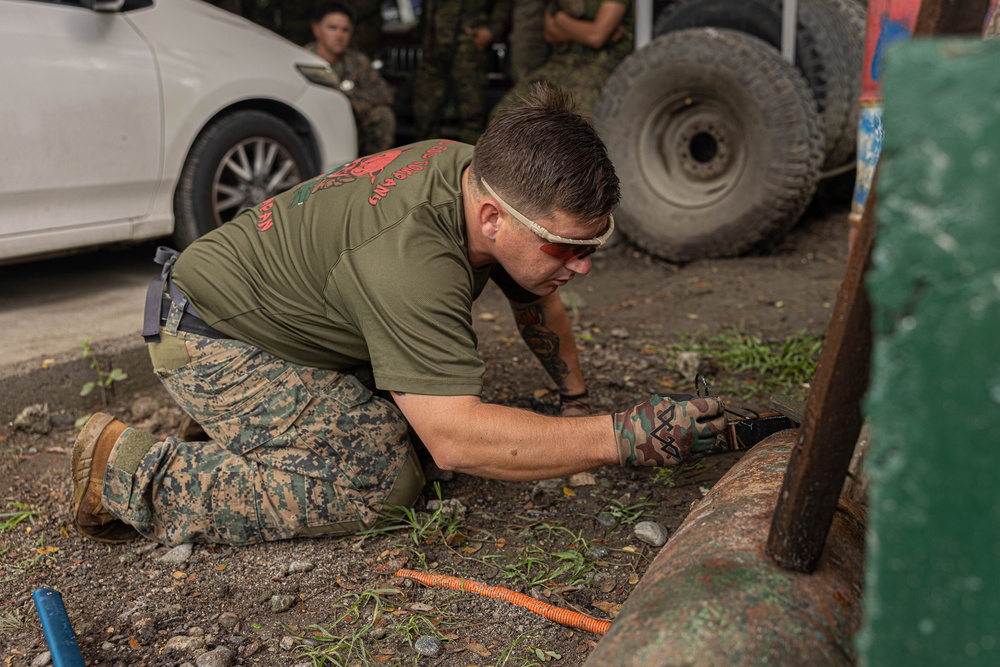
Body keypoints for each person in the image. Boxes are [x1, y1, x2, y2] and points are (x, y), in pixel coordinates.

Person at [70, 83, 726, 546]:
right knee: (380, 478)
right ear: (496, 219)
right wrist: (625, 436)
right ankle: (125, 470)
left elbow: (537, 295)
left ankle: (258, 423)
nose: (580, 265)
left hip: (276, 312)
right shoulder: (414, 260)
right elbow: (457, 438)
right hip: (213, 337)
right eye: (565, 246)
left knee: (422, 427)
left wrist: (576, 400)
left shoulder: (483, 177)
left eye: (590, 247)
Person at [494, 0, 632, 119]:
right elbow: (551, 34)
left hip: (599, 65)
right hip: (561, 63)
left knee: (580, 121)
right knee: (503, 113)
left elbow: (596, 37)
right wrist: (586, 31)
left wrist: (560, 20)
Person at [412, 0, 512, 143]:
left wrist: (492, 30)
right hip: (432, 49)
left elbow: (503, 5)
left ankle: (474, 162)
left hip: (466, 48)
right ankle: (425, 160)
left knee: (472, 116)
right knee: (424, 115)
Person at [308, 2, 397, 155]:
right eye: (332, 28)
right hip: (316, 126)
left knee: (382, 115)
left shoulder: (357, 61)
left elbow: (384, 94)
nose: (339, 36)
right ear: (317, 29)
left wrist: (350, 104)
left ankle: (373, 171)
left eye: (345, 30)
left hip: (352, 127)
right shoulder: (304, 60)